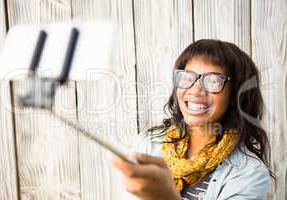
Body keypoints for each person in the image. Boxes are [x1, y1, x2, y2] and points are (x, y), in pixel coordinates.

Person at [111, 39, 275, 200]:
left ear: (234, 95)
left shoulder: (250, 174)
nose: (195, 91)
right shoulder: (147, 144)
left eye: (213, 81)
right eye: (187, 77)